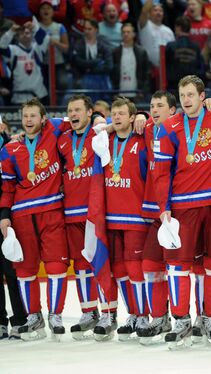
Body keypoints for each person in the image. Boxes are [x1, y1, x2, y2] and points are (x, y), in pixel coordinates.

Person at [153, 75, 211, 348]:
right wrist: (164, 208)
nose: (186, 100)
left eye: (191, 95)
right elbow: (161, 173)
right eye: (183, 95)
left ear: (203, 97)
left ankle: (209, 319)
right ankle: (181, 320)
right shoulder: (167, 127)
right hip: (183, 206)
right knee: (178, 265)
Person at [0, 98, 70, 341]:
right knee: (26, 269)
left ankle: (55, 315)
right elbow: (7, 187)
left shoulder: (55, 131)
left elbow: (84, 119)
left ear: (43, 119)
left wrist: (102, 119)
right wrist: (4, 217)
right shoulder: (10, 149)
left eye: (33, 115)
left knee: (56, 265)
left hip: (51, 210)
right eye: (25, 115)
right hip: (21, 215)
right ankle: (34, 316)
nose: (28, 120)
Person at [102, 97, 150, 342]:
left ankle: (144, 315)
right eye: (114, 113)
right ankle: (132, 313)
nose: (117, 117)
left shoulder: (143, 140)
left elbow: (161, 124)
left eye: (122, 113)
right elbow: (78, 127)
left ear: (132, 117)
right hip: (110, 217)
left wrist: (144, 116)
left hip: (135, 217)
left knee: (135, 268)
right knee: (119, 269)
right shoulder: (104, 141)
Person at [57, 95, 103, 340]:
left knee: (101, 262)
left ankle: (108, 313)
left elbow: (126, 122)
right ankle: (88, 312)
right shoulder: (62, 139)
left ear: (89, 112)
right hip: (71, 211)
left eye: (78, 110)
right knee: (81, 264)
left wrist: (142, 115)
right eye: (70, 111)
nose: (73, 114)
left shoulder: (99, 133)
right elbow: (48, 124)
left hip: (95, 211)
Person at [135, 91, 178, 344]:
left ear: (172, 110)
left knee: (181, 268)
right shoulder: (147, 127)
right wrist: (138, 114)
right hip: (154, 209)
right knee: (150, 265)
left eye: (160, 105)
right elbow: (105, 122)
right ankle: (160, 317)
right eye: (151, 105)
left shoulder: (183, 127)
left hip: (178, 208)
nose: (154, 109)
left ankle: (186, 317)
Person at [0, 121, 26, 339]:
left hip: (7, 216)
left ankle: (20, 319)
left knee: (13, 270)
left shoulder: (14, 147)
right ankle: (0, 321)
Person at [0, 22, 49, 104]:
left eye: (27, 33)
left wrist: (34, 27)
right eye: (21, 33)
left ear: (32, 35)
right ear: (18, 37)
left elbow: (46, 39)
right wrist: (11, 31)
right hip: (19, 97)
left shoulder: (37, 49)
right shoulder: (13, 50)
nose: (24, 35)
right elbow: (1, 46)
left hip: (39, 95)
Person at [111, 23, 150, 98]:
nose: (125, 34)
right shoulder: (115, 52)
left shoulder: (141, 52)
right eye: (123, 32)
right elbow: (112, 73)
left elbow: (146, 73)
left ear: (134, 34)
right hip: (119, 93)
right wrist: (114, 91)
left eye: (128, 32)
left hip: (137, 93)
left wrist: (142, 90)